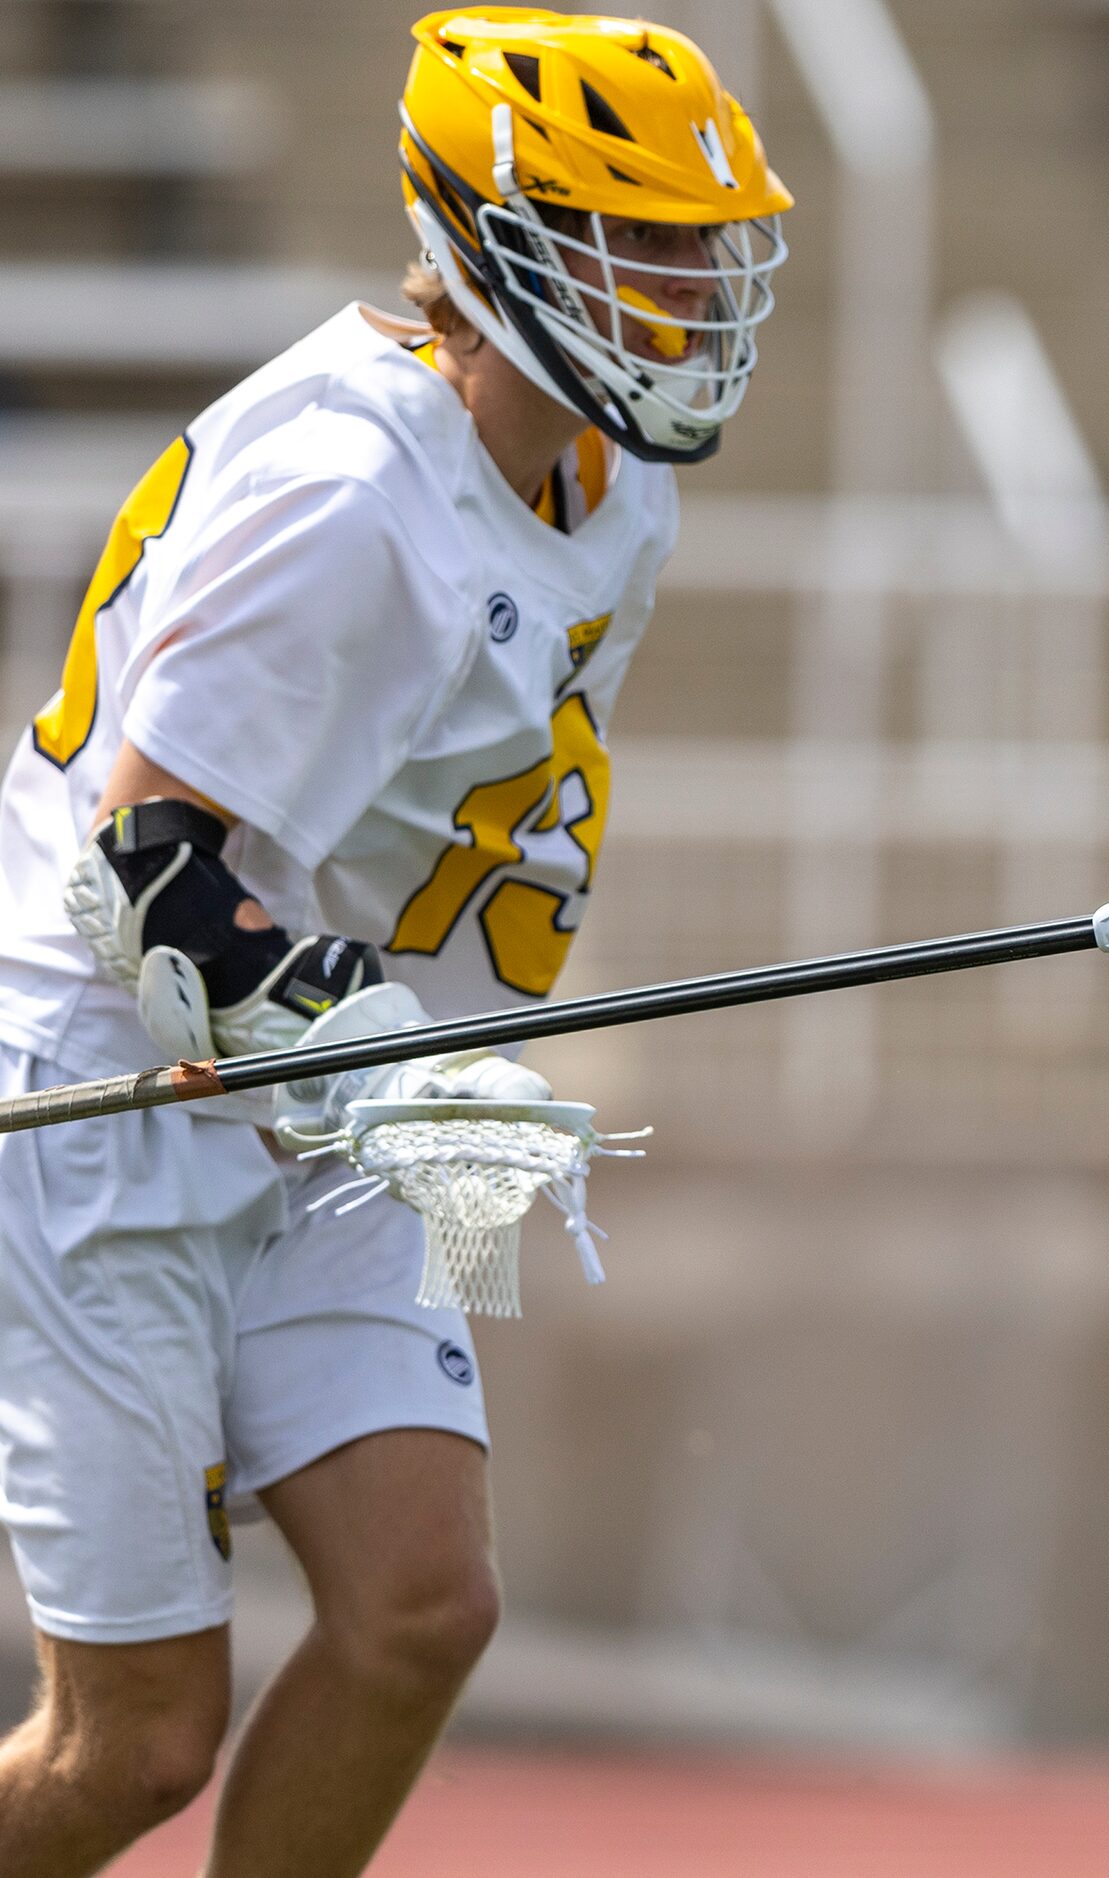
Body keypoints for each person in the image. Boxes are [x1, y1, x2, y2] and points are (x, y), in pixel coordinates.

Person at [0, 10, 788, 1874]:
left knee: (419, 1609)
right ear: (500, 239)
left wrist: (397, 1049)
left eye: (700, 243)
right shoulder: (354, 496)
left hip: (317, 1075)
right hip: (119, 1069)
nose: (684, 287)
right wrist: (393, 1046)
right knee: (132, 1744)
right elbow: (152, 873)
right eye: (640, 239)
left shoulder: (608, 468)